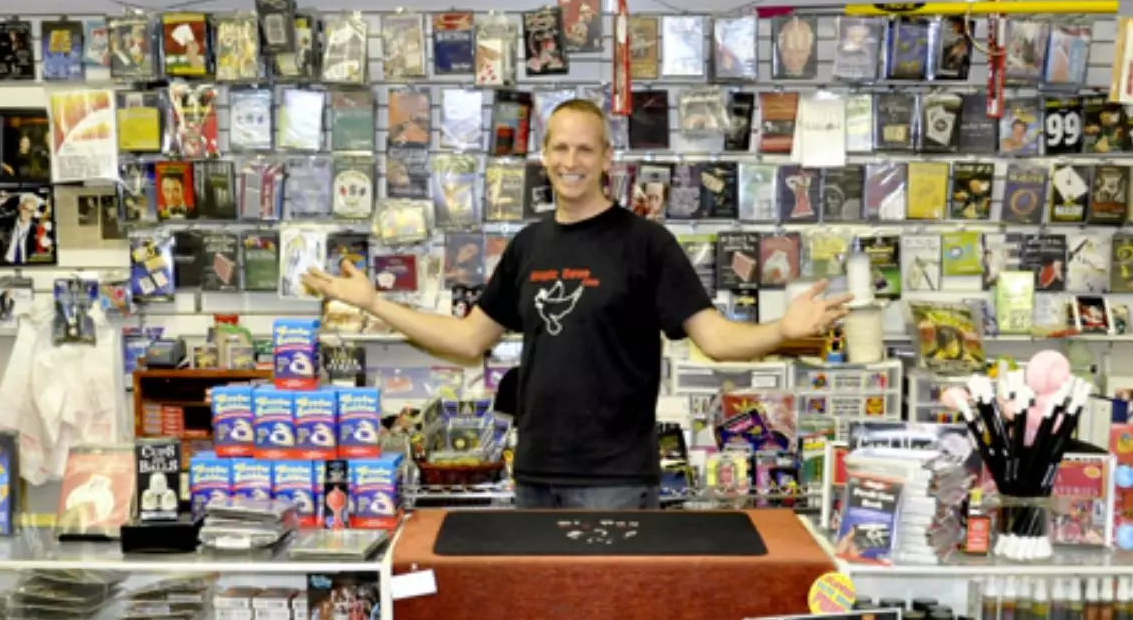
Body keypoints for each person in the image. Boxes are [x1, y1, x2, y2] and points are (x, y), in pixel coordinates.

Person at [305, 99, 850, 510]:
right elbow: (467, 340)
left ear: (607, 158)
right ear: (543, 156)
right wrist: (376, 301)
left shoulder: (646, 244)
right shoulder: (528, 246)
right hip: (535, 476)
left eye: (585, 148)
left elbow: (717, 339)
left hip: (614, 482)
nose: (572, 161)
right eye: (560, 148)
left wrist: (783, 329)